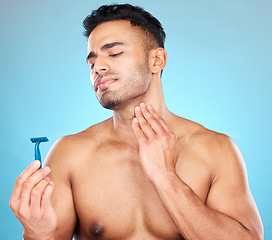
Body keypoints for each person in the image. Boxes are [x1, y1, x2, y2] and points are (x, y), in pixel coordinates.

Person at [9, 4, 263, 240]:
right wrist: (37, 233)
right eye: (92, 61)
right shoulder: (70, 154)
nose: (98, 67)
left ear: (157, 60)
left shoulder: (216, 149)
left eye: (115, 53)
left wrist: (166, 178)